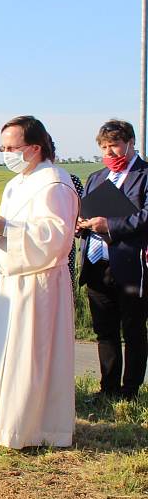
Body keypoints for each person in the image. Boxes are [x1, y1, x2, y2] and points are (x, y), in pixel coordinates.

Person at [0, 115, 78, 449]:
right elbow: (8, 226)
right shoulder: (16, 183)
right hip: (9, 281)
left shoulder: (54, 183)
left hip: (37, 284)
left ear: (34, 147)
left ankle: (26, 428)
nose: (6, 154)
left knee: (28, 357)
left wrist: (8, 231)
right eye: (2, 147)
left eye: (11, 147)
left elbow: (56, 238)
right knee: (3, 354)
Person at [78, 119, 148, 401]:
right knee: (104, 330)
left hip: (131, 264)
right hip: (97, 263)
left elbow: (145, 216)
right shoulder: (96, 178)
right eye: (104, 147)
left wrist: (111, 225)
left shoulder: (145, 175)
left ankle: (129, 391)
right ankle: (108, 389)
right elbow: (84, 210)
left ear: (130, 143)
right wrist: (80, 224)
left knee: (133, 329)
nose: (110, 153)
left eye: (115, 146)